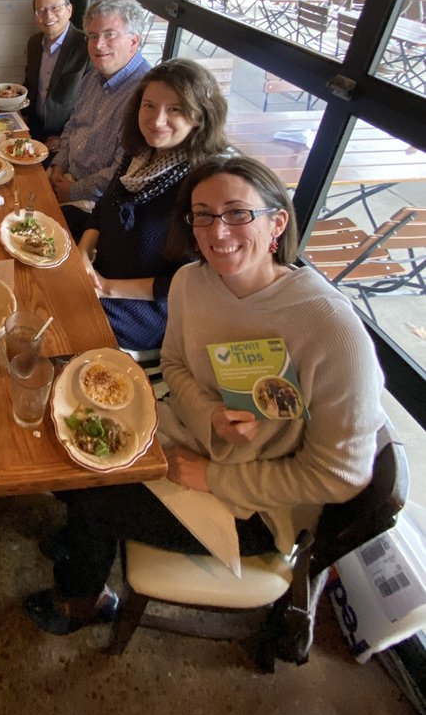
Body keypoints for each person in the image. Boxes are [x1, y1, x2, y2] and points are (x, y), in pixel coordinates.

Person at [24, 154, 385, 635]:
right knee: (60, 445)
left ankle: (85, 599)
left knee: (93, 496)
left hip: (257, 502)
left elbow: (341, 475)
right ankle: (85, 537)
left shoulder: (331, 329)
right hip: (186, 432)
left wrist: (215, 478)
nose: (218, 231)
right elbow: (174, 364)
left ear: (277, 223)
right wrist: (210, 414)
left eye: (238, 213)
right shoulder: (192, 281)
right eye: (203, 215)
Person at [78, 60, 229, 352]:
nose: (157, 120)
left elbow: (190, 280)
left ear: (199, 117)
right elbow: (103, 208)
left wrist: (106, 287)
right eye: (149, 105)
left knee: (58, 321)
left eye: (175, 109)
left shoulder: (203, 186)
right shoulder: (140, 153)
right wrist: (83, 254)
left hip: (142, 306)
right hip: (99, 274)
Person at [48, 0, 149, 239]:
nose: (98, 45)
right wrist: (59, 165)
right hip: (67, 176)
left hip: (97, 204)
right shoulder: (93, 77)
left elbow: (122, 171)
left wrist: (72, 190)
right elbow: (72, 125)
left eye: (109, 34)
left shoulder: (146, 95)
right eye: (93, 36)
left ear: (133, 41)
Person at [24, 0, 89, 149]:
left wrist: (66, 138)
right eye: (41, 10)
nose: (48, 15)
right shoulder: (34, 42)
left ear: (69, 10)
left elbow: (90, 104)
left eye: (55, 8)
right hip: (32, 129)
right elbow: (30, 85)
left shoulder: (86, 46)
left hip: (65, 138)